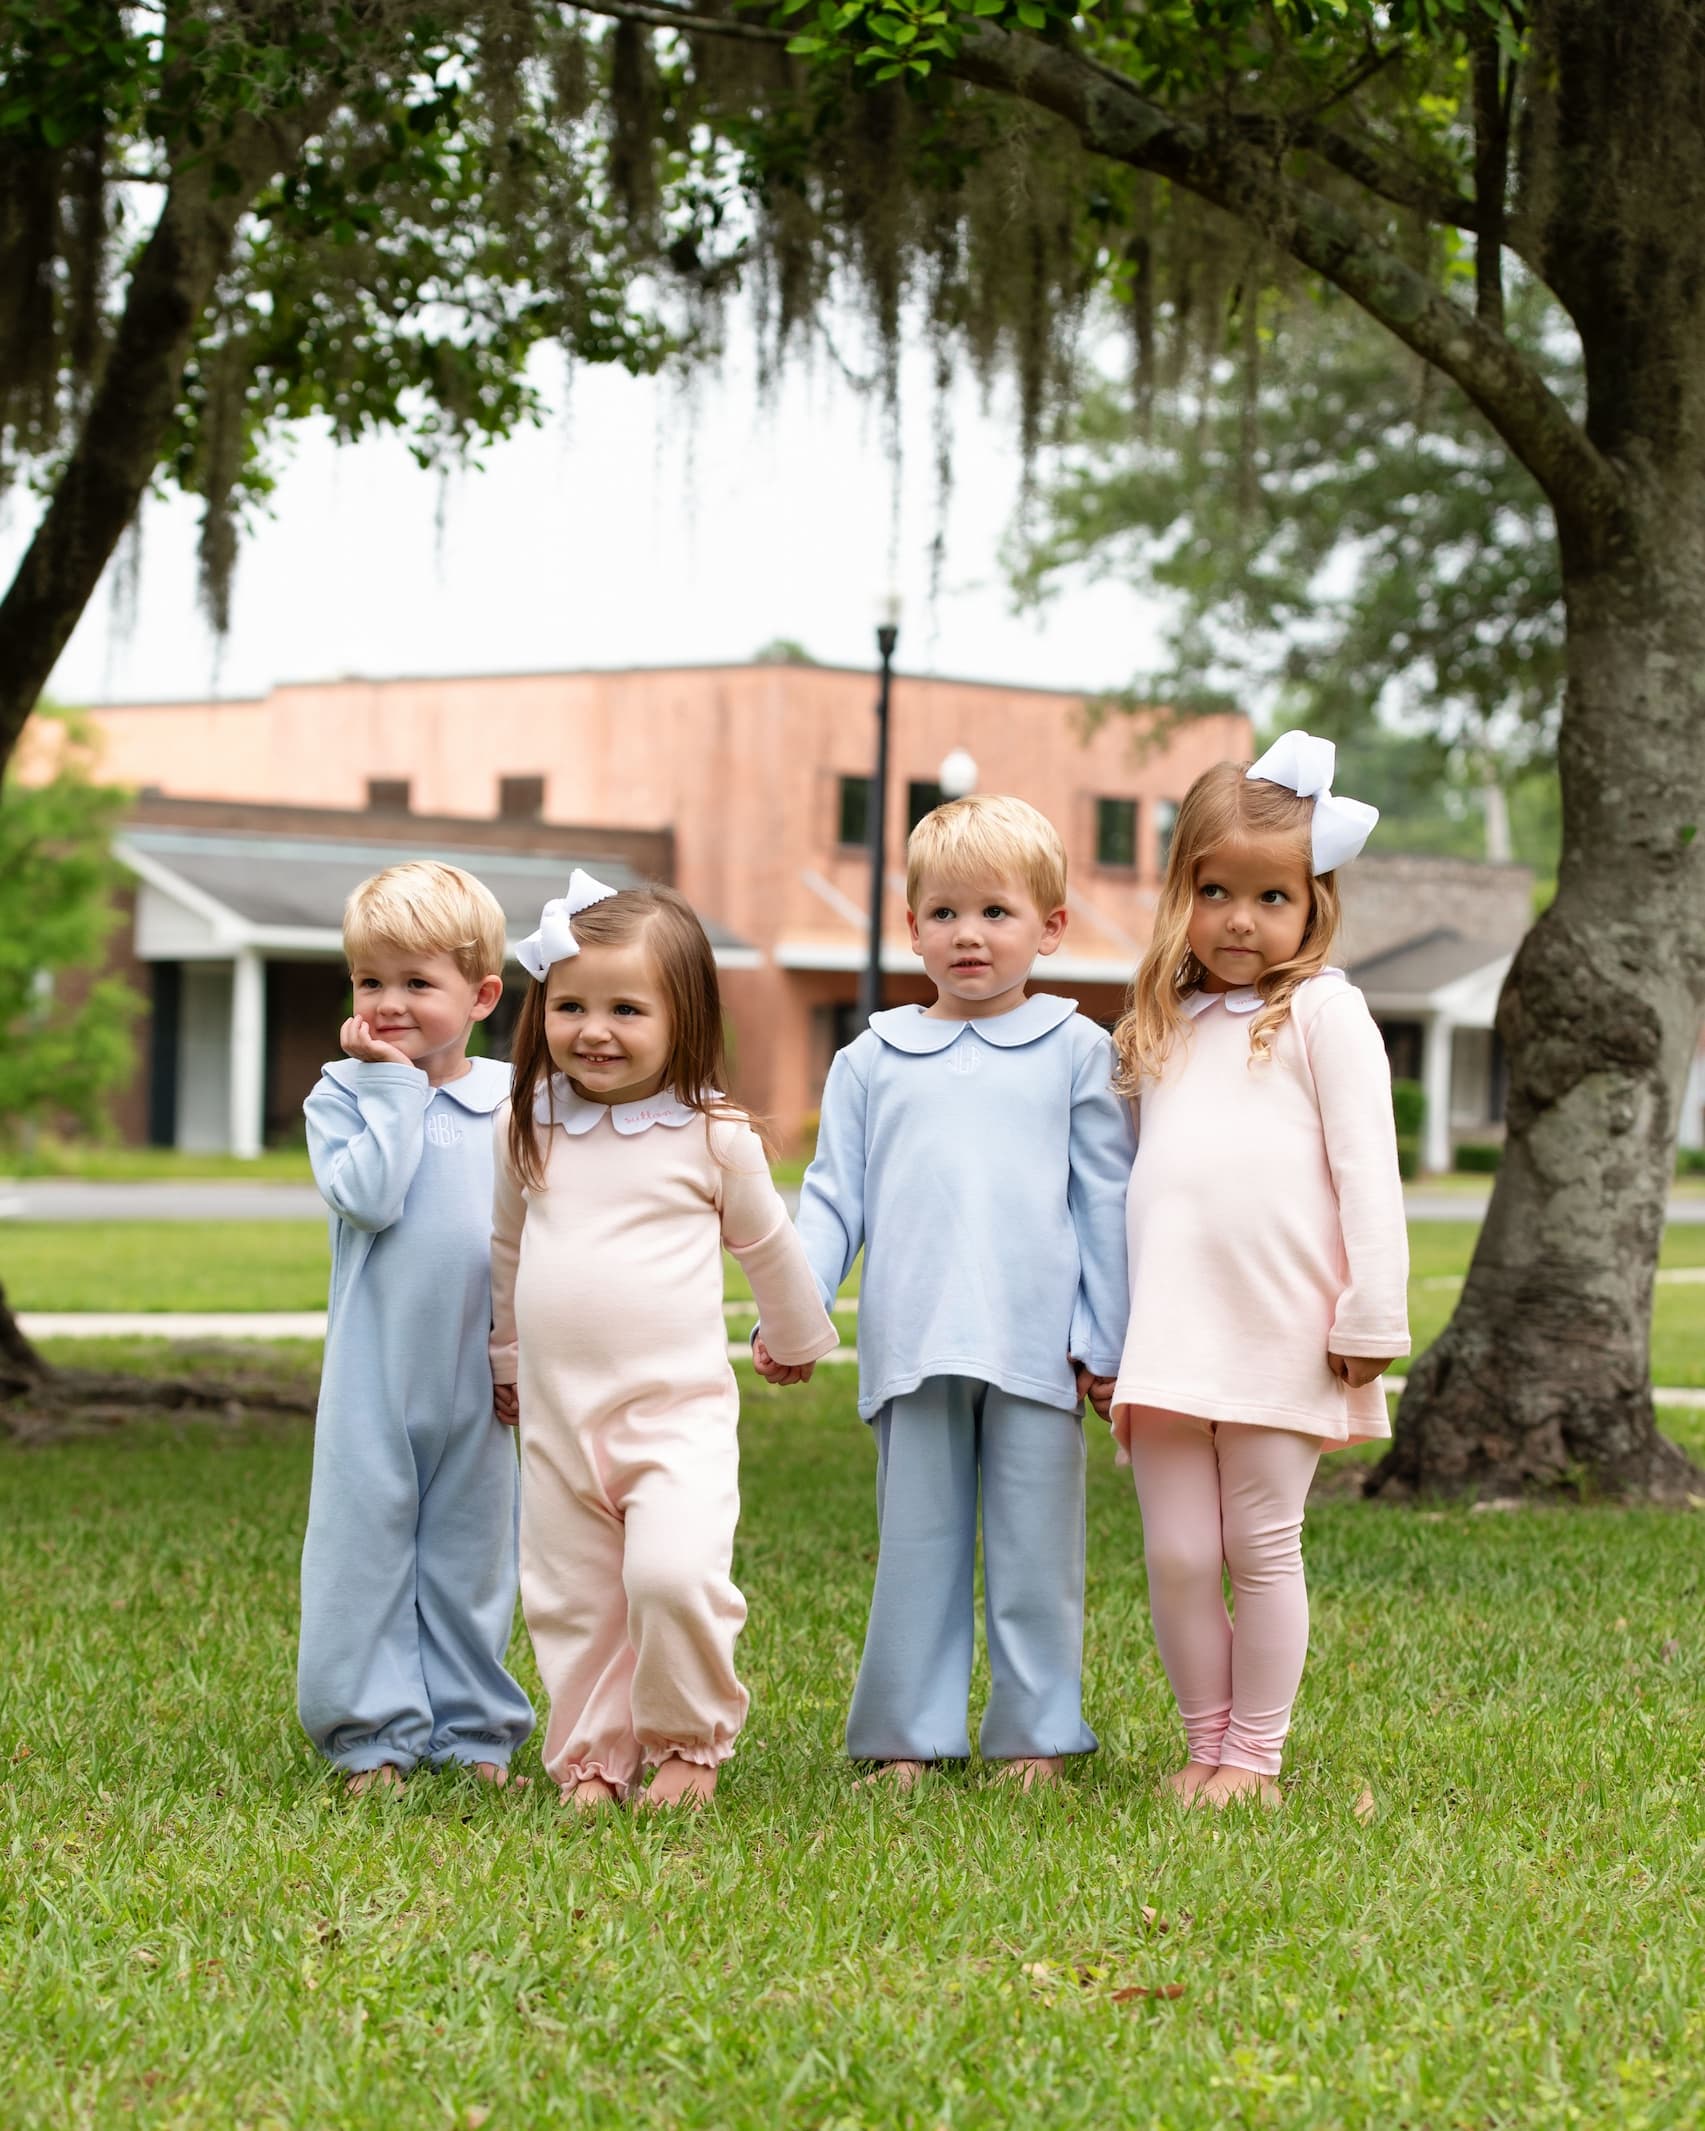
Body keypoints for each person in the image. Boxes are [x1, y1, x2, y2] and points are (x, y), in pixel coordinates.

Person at [770, 795, 1134, 1791]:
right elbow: (829, 1200)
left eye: (995, 912)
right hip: (913, 1342)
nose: (967, 934)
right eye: (942, 912)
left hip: (1037, 1350)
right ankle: (906, 1732)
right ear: (911, 926)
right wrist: (793, 1311)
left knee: (1034, 1562)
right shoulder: (871, 1060)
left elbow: (1104, 1203)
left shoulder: (1077, 1053)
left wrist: (1108, 1340)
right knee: (915, 1552)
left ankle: (1034, 1732)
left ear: (1050, 928)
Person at [1108, 731, 1410, 1809]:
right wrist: (1106, 1330)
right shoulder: (1158, 1021)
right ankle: (1202, 1743)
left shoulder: (1326, 1012)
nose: (1242, 918)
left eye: (1271, 896)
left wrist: (1372, 1310)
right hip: (1170, 1334)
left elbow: (1366, 1170)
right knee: (1181, 1554)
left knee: (1260, 1544)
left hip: (1284, 1327)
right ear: (1178, 892)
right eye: (1216, 890)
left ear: (1312, 901)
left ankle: (1255, 1757)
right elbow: (1129, 1189)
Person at [490, 873, 837, 1811]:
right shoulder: (531, 1122)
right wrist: (506, 1357)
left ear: (683, 1018)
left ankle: (687, 1739)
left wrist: (797, 1335)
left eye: (625, 1008)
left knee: (670, 1575)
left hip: (671, 1417)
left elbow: (767, 1246)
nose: (592, 1029)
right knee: (573, 1595)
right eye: (570, 1005)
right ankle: (596, 1757)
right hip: (561, 1420)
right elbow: (508, 1248)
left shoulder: (713, 1137)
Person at [298, 861, 533, 1795]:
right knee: (364, 1553)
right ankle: (371, 1735)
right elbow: (369, 1199)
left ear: (480, 994)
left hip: (481, 1371)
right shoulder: (342, 1096)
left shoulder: (518, 1101)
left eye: (415, 983)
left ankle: (473, 1730)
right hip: (375, 1375)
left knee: (473, 1556)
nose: (388, 1003)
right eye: (369, 982)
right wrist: (391, 1088)